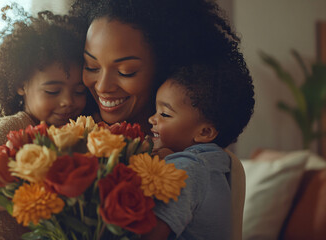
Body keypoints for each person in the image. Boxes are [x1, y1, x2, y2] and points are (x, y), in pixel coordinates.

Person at [69, 0, 251, 239]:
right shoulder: (69, 134)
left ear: (165, 68)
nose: (102, 86)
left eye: (126, 71)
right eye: (91, 66)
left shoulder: (204, 164)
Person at [0, 8, 88, 239]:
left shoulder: (73, 134)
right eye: (52, 91)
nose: (68, 102)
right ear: (21, 85)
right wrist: (27, 198)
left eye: (79, 91)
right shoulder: (13, 126)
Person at [145, 64, 254, 239]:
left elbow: (151, 234)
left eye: (164, 114)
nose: (152, 119)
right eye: (155, 111)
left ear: (205, 132)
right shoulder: (214, 163)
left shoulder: (187, 169)